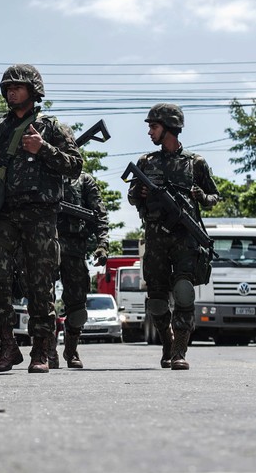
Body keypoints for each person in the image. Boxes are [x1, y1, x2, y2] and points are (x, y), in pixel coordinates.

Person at [0, 65, 82, 374]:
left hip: (40, 216)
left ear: (33, 91)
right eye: (7, 87)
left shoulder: (52, 128)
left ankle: (40, 351)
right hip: (3, 215)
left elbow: (75, 167)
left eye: (17, 87)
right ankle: (7, 347)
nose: (10, 92)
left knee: (40, 284)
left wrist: (43, 149)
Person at [127, 103, 219, 370]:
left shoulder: (195, 163)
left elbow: (214, 196)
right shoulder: (147, 162)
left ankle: (179, 351)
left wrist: (202, 196)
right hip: (155, 237)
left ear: (169, 129)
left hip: (184, 238)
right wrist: (140, 194)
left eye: (153, 127)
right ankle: (166, 341)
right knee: (156, 299)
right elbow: (132, 195)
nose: (149, 132)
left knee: (183, 291)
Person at [54, 171, 109, 368]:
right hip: (43, 247)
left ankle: (71, 349)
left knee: (77, 307)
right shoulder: (41, 173)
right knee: (40, 301)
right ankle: (45, 349)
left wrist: (102, 244)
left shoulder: (83, 180)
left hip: (75, 250)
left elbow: (99, 213)